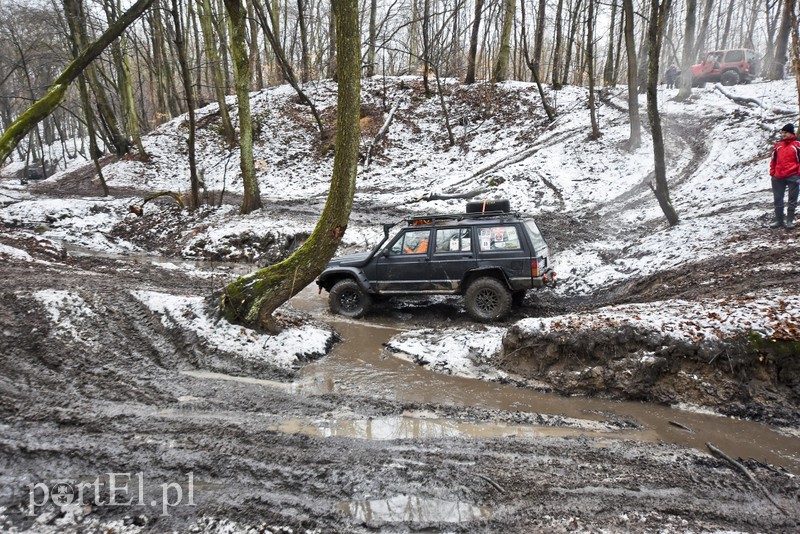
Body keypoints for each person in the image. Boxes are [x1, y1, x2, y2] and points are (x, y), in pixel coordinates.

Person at [768, 123, 800, 229]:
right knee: (778, 199)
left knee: (792, 199)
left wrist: (798, 174)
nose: (783, 134)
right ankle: (779, 221)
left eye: (785, 132)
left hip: (793, 176)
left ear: (791, 133)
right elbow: (773, 159)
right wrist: (772, 172)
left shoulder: (798, 144)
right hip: (778, 177)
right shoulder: (778, 145)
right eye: (782, 132)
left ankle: (789, 221)